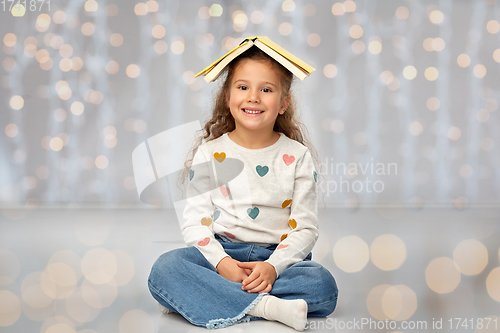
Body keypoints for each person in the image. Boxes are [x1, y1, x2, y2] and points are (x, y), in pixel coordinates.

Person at [148, 38, 338, 331]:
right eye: (243, 87)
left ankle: (202, 296)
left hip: (276, 259)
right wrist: (222, 264)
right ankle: (267, 307)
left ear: (284, 103)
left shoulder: (297, 156)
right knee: (164, 269)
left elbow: (305, 228)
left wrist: (273, 267)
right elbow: (195, 224)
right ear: (227, 96)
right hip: (222, 255)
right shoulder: (209, 153)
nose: (253, 97)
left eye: (266, 89)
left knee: (322, 286)